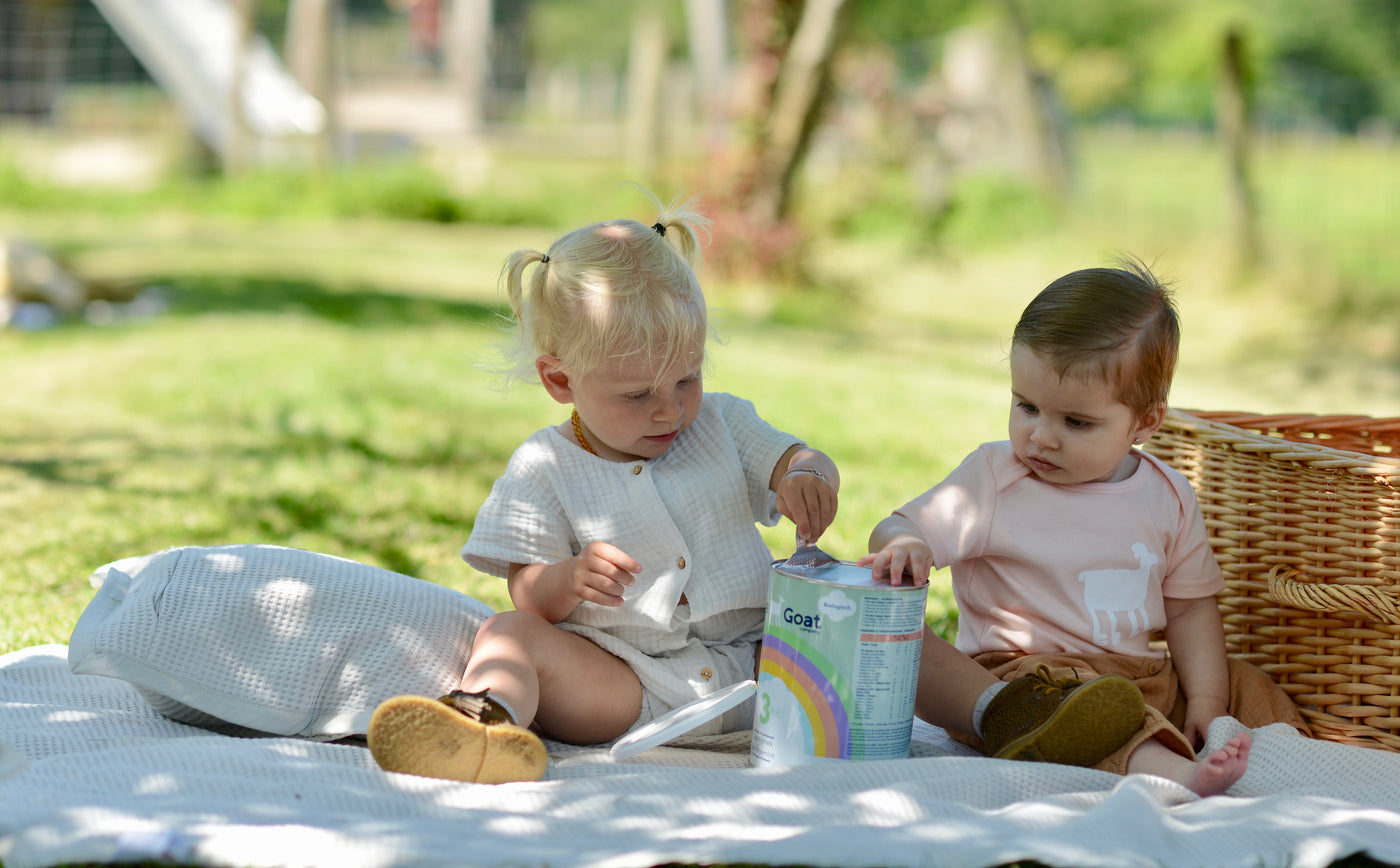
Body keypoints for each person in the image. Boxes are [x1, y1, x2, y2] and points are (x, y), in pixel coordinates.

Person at [366, 191, 1144, 785]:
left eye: (688, 379)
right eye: (637, 396)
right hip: (625, 683)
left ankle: (1002, 712)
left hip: (769, 666)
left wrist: (809, 475)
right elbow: (528, 589)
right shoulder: (543, 466)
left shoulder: (724, 425)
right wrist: (566, 581)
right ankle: (484, 727)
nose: (670, 408)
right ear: (559, 381)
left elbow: (794, 458)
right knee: (509, 635)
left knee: (885, 615)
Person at [861, 258, 1310, 797]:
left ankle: (1291, 764)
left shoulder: (1167, 495)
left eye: (1076, 422)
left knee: (1245, 684)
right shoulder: (993, 480)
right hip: (1028, 678)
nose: (1042, 438)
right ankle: (1175, 775)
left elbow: (1191, 608)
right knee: (1082, 708)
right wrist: (905, 543)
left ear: (1144, 423)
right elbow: (898, 525)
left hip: (1141, 676)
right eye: (1026, 407)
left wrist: (1210, 704)